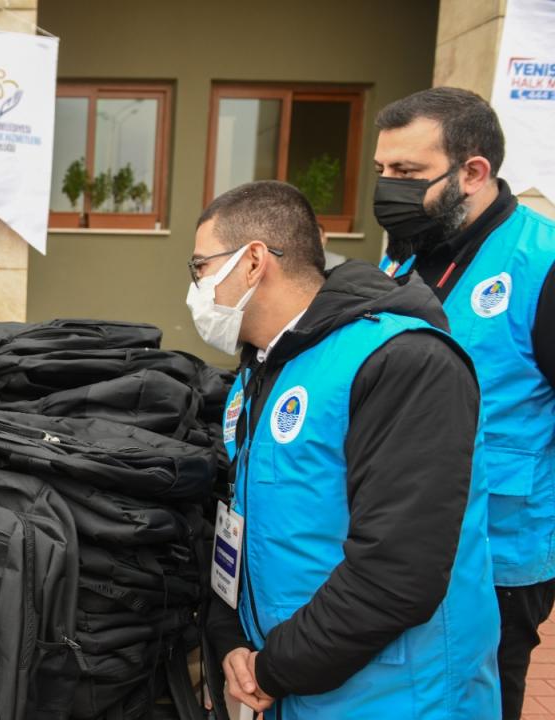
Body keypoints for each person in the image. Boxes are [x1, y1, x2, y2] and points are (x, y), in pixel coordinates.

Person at [192, 181, 499, 717]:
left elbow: (398, 570)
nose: (195, 288)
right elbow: (240, 517)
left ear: (252, 262)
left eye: (200, 267)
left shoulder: (403, 361)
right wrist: (231, 641)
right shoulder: (263, 367)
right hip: (299, 685)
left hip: (398, 697)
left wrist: (272, 669)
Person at [372, 86, 555, 720]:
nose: (387, 189)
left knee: (484, 698)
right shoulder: (405, 252)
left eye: (407, 173)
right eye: (381, 171)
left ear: (473, 172)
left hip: (501, 546)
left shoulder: (543, 261)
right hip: (401, 538)